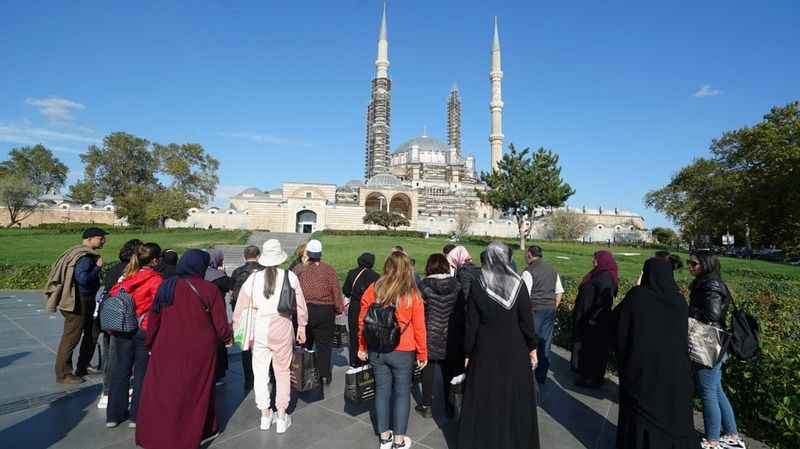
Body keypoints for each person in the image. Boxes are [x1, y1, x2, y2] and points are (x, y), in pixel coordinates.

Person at [135, 250, 233, 449]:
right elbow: (220, 325)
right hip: (199, 349)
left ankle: (155, 433)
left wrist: (151, 342)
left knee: (163, 391)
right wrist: (227, 337)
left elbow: (154, 318)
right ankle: (191, 432)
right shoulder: (209, 289)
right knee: (197, 391)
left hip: (166, 345)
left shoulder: (167, 286)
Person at [458, 241, 539, 449]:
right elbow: (527, 322)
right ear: (507, 258)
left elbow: (471, 323)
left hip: (485, 349)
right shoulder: (518, 284)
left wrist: (467, 352)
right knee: (513, 399)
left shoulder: (478, 284)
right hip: (515, 350)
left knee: (486, 398)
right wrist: (532, 347)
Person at [615, 257, 699, 449]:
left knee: (642, 417)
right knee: (672, 415)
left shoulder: (637, 297)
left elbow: (617, 324)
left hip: (643, 372)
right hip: (676, 371)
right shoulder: (678, 301)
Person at [233, 240, 308, 434]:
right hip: (283, 326)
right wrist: (302, 326)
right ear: (280, 257)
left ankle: (265, 415)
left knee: (260, 372)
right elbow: (301, 305)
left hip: (260, 328)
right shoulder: (290, 276)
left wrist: (237, 327)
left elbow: (240, 308)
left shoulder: (253, 279)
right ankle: (281, 415)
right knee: (282, 372)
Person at [357, 251, 427, 449]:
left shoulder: (374, 288)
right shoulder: (412, 294)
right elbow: (420, 327)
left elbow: (363, 320)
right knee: (402, 393)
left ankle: (385, 437)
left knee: (382, 391)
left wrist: (362, 346)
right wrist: (423, 353)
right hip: (403, 350)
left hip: (377, 348)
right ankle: (399, 440)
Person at [688, 251, 746, 449]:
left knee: (708, 392)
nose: (690, 266)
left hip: (709, 343)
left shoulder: (711, 284)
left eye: (693, 263)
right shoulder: (709, 282)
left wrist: (687, 310)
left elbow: (712, 315)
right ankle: (732, 435)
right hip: (714, 343)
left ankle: (712, 440)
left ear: (706, 265)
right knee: (716, 390)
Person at [106, 243, 163, 428]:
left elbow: (113, 294)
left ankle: (113, 415)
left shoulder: (126, 276)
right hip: (143, 328)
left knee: (120, 370)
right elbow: (158, 307)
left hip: (122, 327)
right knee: (141, 372)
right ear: (155, 260)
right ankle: (137, 415)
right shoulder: (156, 280)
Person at [45, 227, 108, 385]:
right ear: (89, 239)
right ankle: (63, 374)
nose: (104, 241)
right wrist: (97, 268)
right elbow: (83, 279)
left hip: (83, 299)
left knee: (89, 333)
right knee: (71, 337)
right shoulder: (85, 257)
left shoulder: (75, 252)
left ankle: (82, 366)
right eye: (100, 238)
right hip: (79, 301)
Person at [416, 253, 463, 418]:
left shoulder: (423, 285)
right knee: (449, 370)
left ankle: (426, 405)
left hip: (430, 331)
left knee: (427, 368)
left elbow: (419, 311)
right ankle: (450, 404)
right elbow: (460, 310)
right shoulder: (456, 284)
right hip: (450, 333)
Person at [96, 238, 142, 409]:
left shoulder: (113, 269)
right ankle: (113, 392)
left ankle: (107, 391)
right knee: (122, 357)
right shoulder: (133, 270)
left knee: (110, 356)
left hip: (108, 315)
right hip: (124, 318)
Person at [293, 239, 343, 385]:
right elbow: (336, 290)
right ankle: (324, 374)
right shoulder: (328, 270)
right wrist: (339, 308)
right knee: (324, 345)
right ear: (320, 253)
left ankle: (304, 371)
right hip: (325, 311)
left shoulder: (298, 269)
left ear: (308, 253)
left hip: (304, 309)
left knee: (305, 343)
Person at [571, 250, 618, 387]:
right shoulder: (598, 273)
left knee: (592, 350)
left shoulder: (606, 277)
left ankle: (589, 378)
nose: (593, 261)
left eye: (596, 259)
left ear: (603, 260)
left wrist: (593, 318)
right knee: (585, 347)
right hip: (587, 317)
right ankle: (583, 372)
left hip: (595, 321)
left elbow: (605, 300)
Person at [521, 245, 564, 385]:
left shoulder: (528, 271)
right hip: (549, 309)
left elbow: (524, 296)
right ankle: (541, 376)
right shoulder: (552, 269)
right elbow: (559, 291)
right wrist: (554, 306)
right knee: (545, 343)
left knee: (529, 342)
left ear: (529, 255)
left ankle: (526, 375)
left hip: (534, 310)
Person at [229, 245, 265, 390]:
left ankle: (249, 379)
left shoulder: (237, 272)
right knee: (262, 346)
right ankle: (262, 376)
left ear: (244, 257)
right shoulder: (264, 271)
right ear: (259, 256)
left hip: (243, 313)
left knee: (246, 347)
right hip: (261, 312)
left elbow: (232, 292)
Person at [342, 252, 380, 367]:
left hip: (355, 306)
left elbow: (346, 290)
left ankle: (354, 362)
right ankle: (367, 361)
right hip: (370, 308)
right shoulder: (376, 276)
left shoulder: (352, 273)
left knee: (354, 335)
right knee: (368, 334)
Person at [205, 248, 232, 383]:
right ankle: (218, 371)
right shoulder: (218, 276)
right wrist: (223, 272)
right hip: (217, 310)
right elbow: (230, 285)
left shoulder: (200, 273)